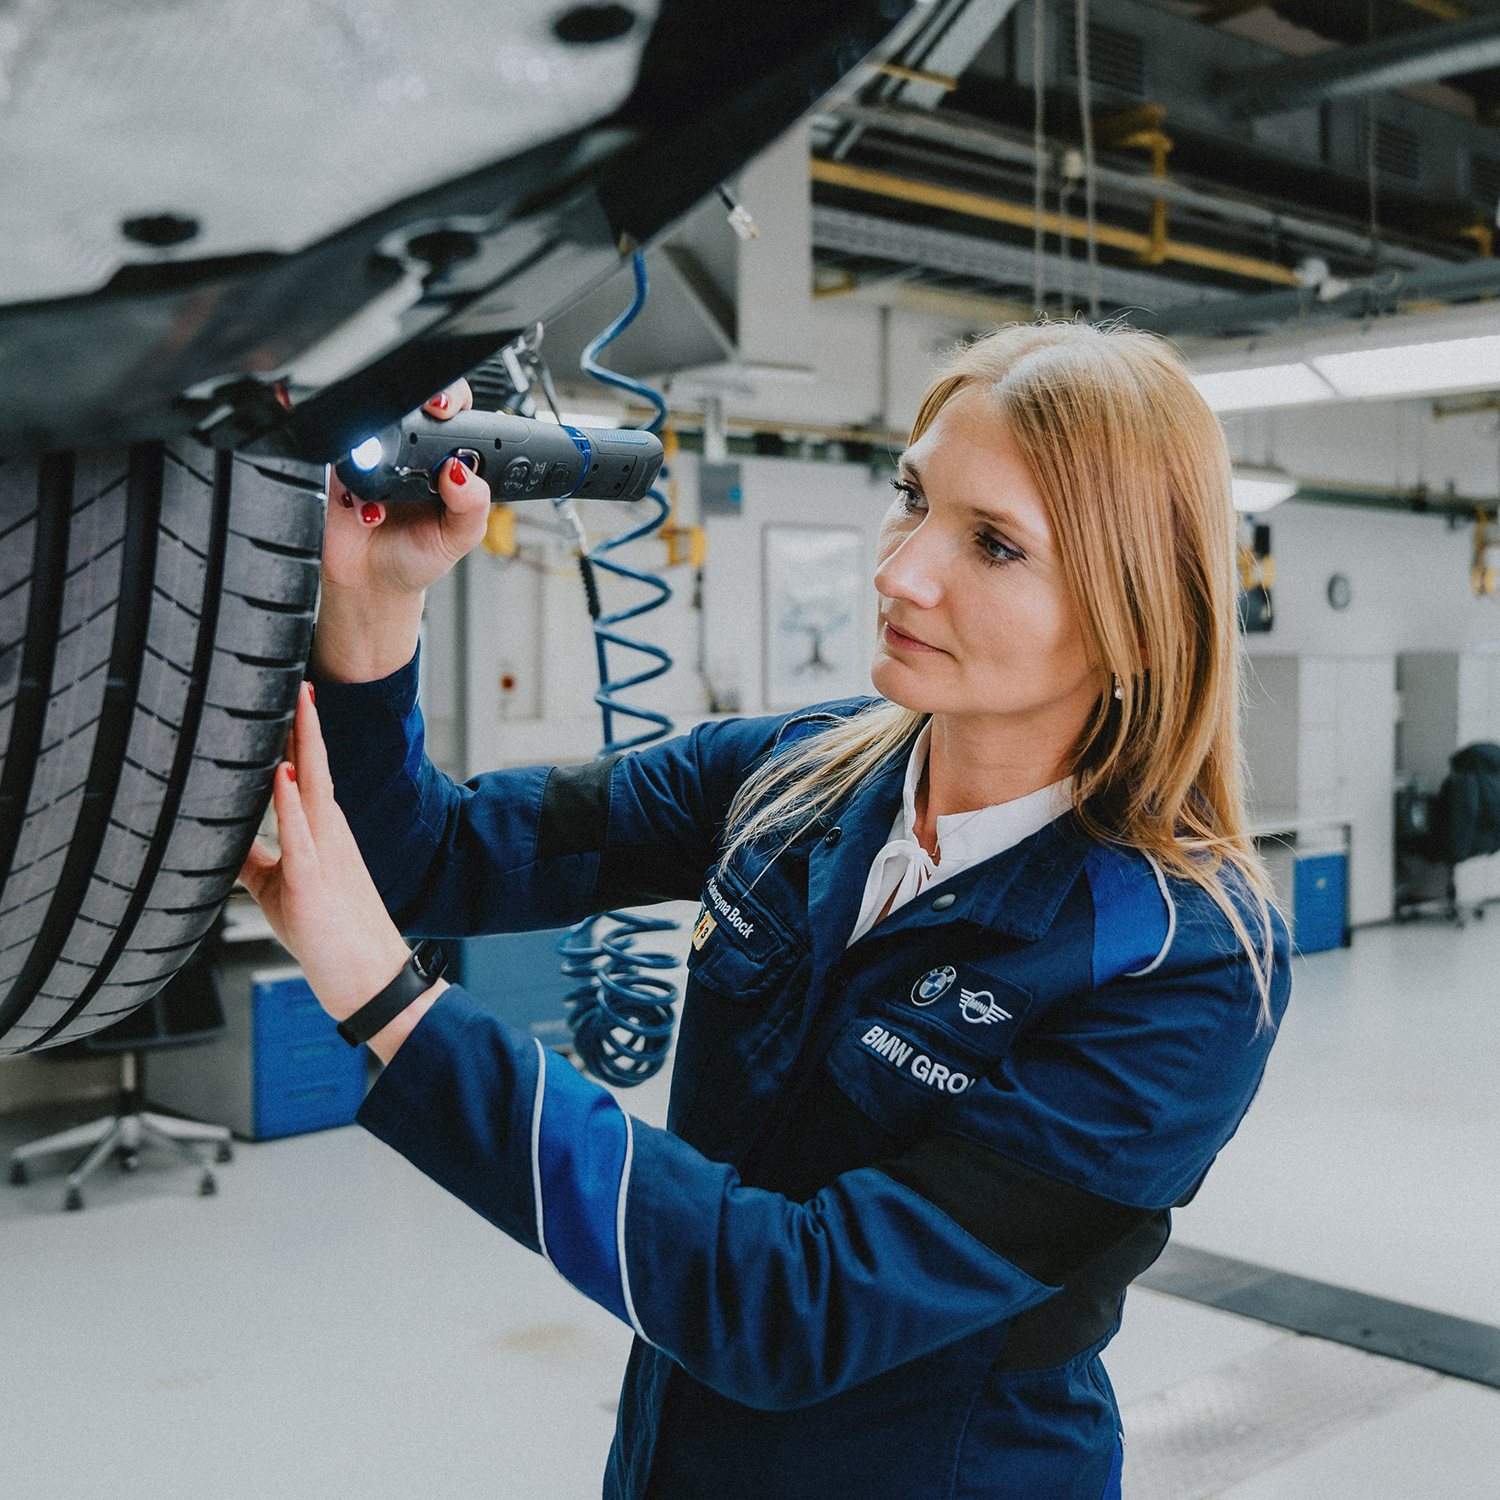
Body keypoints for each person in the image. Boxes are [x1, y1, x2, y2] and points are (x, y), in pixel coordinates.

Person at [239, 321, 1291, 1500]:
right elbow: (433, 857)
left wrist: (392, 1002)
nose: (900, 572)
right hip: (674, 1456)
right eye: (912, 497)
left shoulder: (1181, 962)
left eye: (994, 544)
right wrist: (376, 604)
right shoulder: (795, 775)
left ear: (1138, 621)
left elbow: (796, 1307)